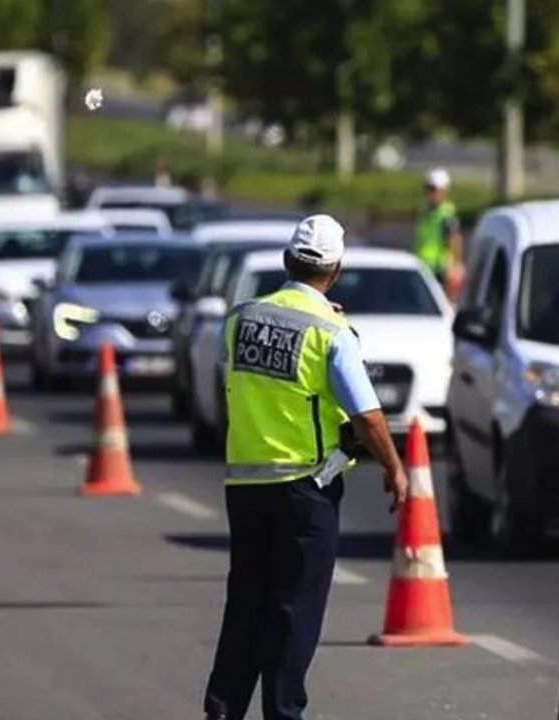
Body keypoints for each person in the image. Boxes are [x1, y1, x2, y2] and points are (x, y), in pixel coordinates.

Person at [203, 214, 409, 720]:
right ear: (335, 270)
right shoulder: (332, 331)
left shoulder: (239, 318)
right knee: (294, 613)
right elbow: (367, 416)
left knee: (246, 605)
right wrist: (394, 468)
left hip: (245, 484)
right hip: (304, 488)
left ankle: (222, 710)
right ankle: (283, 713)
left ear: (285, 261)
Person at [413, 167, 463, 296]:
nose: (432, 193)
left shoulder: (447, 214)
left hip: (440, 269)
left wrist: (456, 266)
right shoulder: (424, 210)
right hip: (421, 264)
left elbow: (454, 239)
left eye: (435, 190)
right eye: (429, 189)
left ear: (444, 191)